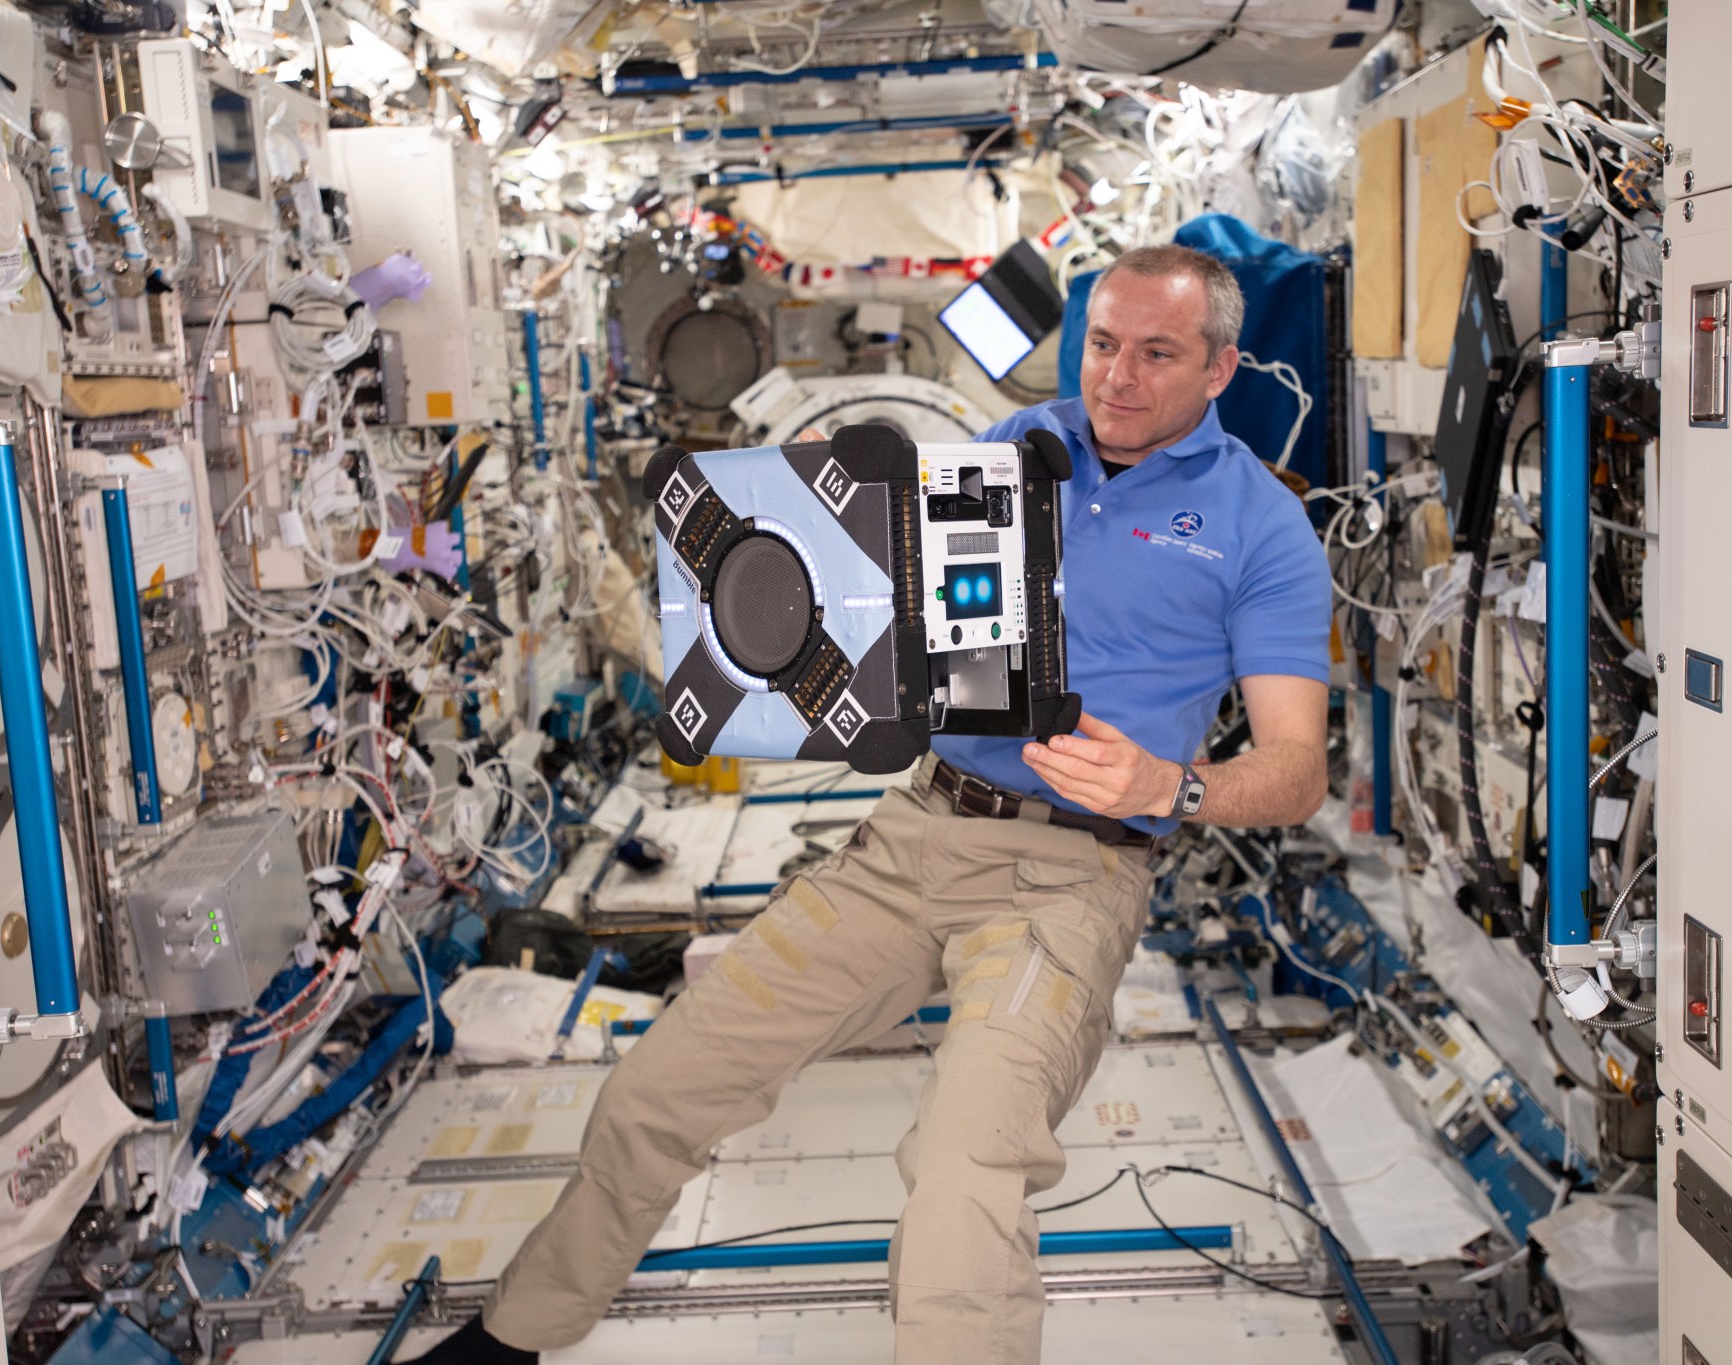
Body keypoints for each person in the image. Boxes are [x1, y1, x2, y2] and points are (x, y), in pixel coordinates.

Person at [421, 243, 1333, 1365]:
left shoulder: (1258, 526)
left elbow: (1296, 770)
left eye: (1156, 353)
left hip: (1071, 877)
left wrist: (1171, 785)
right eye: (1101, 344)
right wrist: (814, 507)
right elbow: (893, 617)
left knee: (964, 1176)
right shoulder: (1013, 448)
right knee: (657, 1090)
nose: (1117, 377)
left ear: (1219, 369)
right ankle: (515, 1335)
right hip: (914, 836)